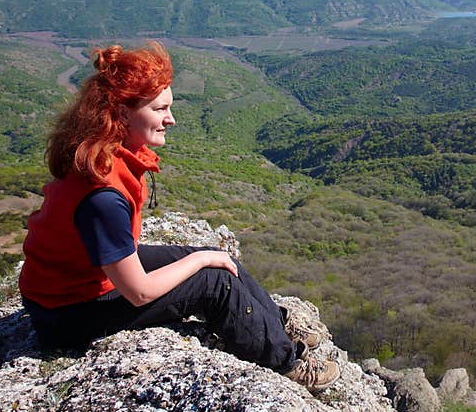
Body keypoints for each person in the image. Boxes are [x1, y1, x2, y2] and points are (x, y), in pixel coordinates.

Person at [18, 42, 341, 391]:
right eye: (160, 109)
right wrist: (202, 259)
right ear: (123, 113)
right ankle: (285, 360)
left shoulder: (104, 150)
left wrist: (206, 256)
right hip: (67, 313)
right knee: (213, 279)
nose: (170, 119)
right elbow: (140, 292)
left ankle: (273, 324)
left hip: (79, 279)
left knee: (220, 261)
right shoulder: (102, 195)